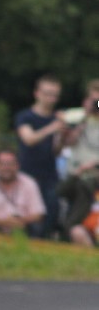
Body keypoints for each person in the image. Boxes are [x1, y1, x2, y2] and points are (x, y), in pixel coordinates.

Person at [14, 75, 68, 238]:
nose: (52, 99)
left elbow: (57, 151)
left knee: (51, 211)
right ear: (37, 93)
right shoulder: (25, 116)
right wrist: (52, 128)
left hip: (49, 174)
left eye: (55, 95)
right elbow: (29, 139)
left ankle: (45, 240)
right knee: (26, 212)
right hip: (27, 172)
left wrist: (62, 135)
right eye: (48, 93)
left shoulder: (57, 119)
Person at [57, 78, 99, 243]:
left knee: (85, 187)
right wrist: (84, 118)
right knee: (64, 192)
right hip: (76, 173)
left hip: (93, 176)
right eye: (94, 100)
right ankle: (69, 231)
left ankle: (70, 230)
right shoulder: (77, 116)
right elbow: (67, 142)